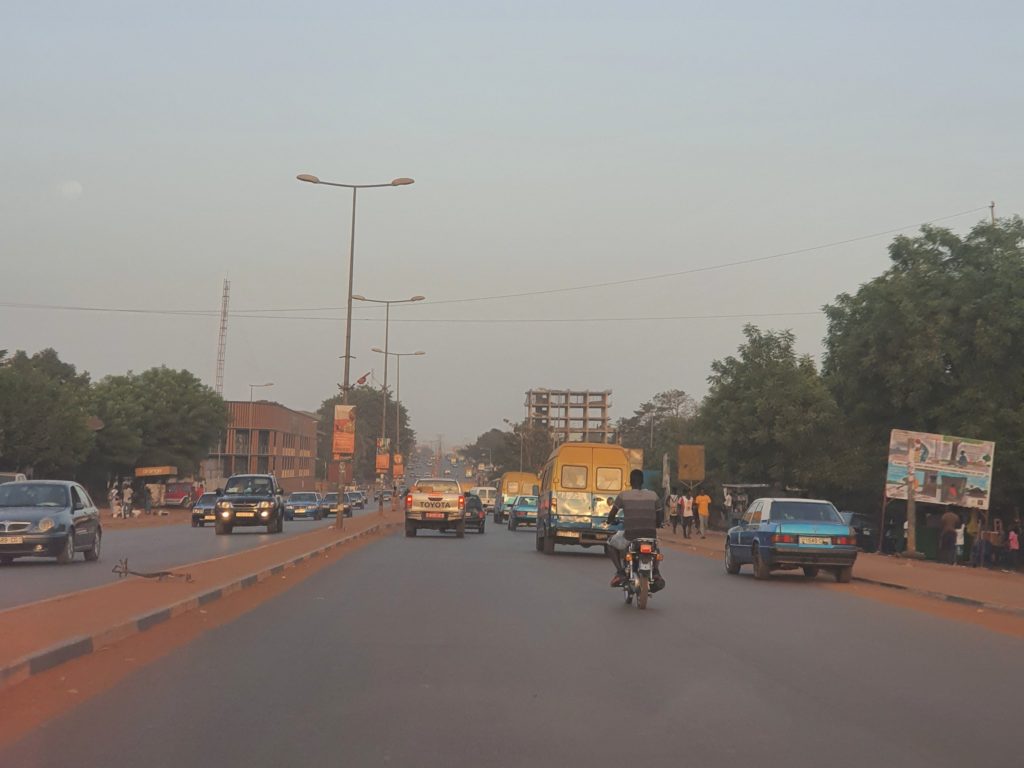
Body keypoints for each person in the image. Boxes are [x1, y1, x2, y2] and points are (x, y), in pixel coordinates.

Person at [605, 469, 665, 591]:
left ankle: (620, 572)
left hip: (630, 535)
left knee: (610, 543)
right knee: (655, 548)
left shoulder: (623, 495)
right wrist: (658, 524)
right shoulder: (653, 495)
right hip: (650, 535)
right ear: (642, 481)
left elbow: (612, 515)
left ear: (630, 481)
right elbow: (660, 517)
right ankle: (656, 572)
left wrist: (609, 521)